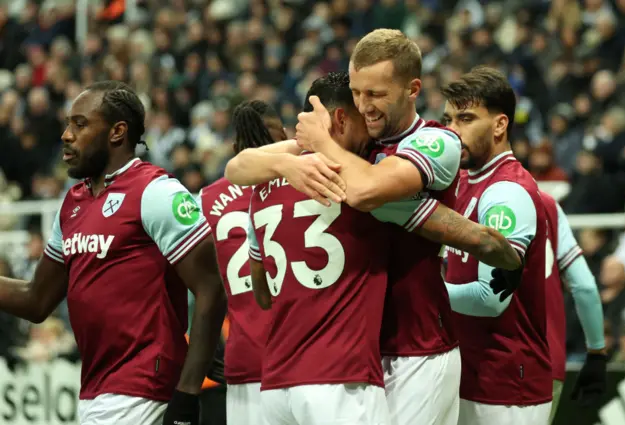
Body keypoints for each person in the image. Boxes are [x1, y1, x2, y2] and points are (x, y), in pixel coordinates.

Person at [226, 31, 522, 424]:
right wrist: (288, 163)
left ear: (412, 89)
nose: (364, 106)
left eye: (376, 94)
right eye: (357, 92)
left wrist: (319, 145)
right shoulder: (354, 146)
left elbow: (367, 191)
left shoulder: (435, 141)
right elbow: (238, 167)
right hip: (353, 354)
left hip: (416, 350)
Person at [0, 81, 225, 425]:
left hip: (146, 388)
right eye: (67, 124)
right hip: (96, 390)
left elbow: (211, 289)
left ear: (117, 132)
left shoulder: (156, 192)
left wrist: (188, 393)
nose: (66, 135)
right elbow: (36, 299)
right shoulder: (73, 203)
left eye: (79, 124)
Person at [441, 66, 552, 425]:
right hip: (470, 376)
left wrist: (426, 294)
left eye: (466, 119)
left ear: (500, 125)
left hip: (507, 387)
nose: (452, 131)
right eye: (449, 120)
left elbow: (491, 299)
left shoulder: (507, 191)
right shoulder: (461, 181)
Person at [198, 99, 288, 425]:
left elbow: (199, 285)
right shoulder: (307, 184)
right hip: (307, 356)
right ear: (286, 138)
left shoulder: (206, 200)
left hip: (245, 359)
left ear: (236, 147)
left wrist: (202, 347)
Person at [538, 191, 606, 424]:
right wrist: (596, 352)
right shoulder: (546, 204)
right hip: (545, 359)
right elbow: (585, 286)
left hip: (476, 356)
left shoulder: (456, 193)